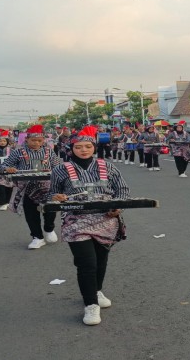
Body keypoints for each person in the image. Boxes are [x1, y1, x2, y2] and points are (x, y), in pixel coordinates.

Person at [48, 126, 130, 326]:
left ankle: (96, 290)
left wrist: (118, 208)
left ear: (94, 147)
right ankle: (91, 305)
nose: (83, 150)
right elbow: (51, 194)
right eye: (78, 147)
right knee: (86, 263)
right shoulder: (60, 170)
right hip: (76, 221)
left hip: (106, 220)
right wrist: (56, 197)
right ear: (71, 148)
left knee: (101, 261)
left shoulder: (108, 167)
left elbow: (122, 190)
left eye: (87, 146)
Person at [2, 124, 62, 249]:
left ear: (43, 140)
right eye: (33, 140)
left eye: (39, 140)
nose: (36, 143)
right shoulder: (18, 152)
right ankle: (37, 237)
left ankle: (49, 229)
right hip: (27, 188)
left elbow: (58, 167)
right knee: (31, 213)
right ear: (27, 139)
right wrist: (8, 168)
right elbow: (4, 165)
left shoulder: (49, 151)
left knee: (50, 210)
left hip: (48, 188)